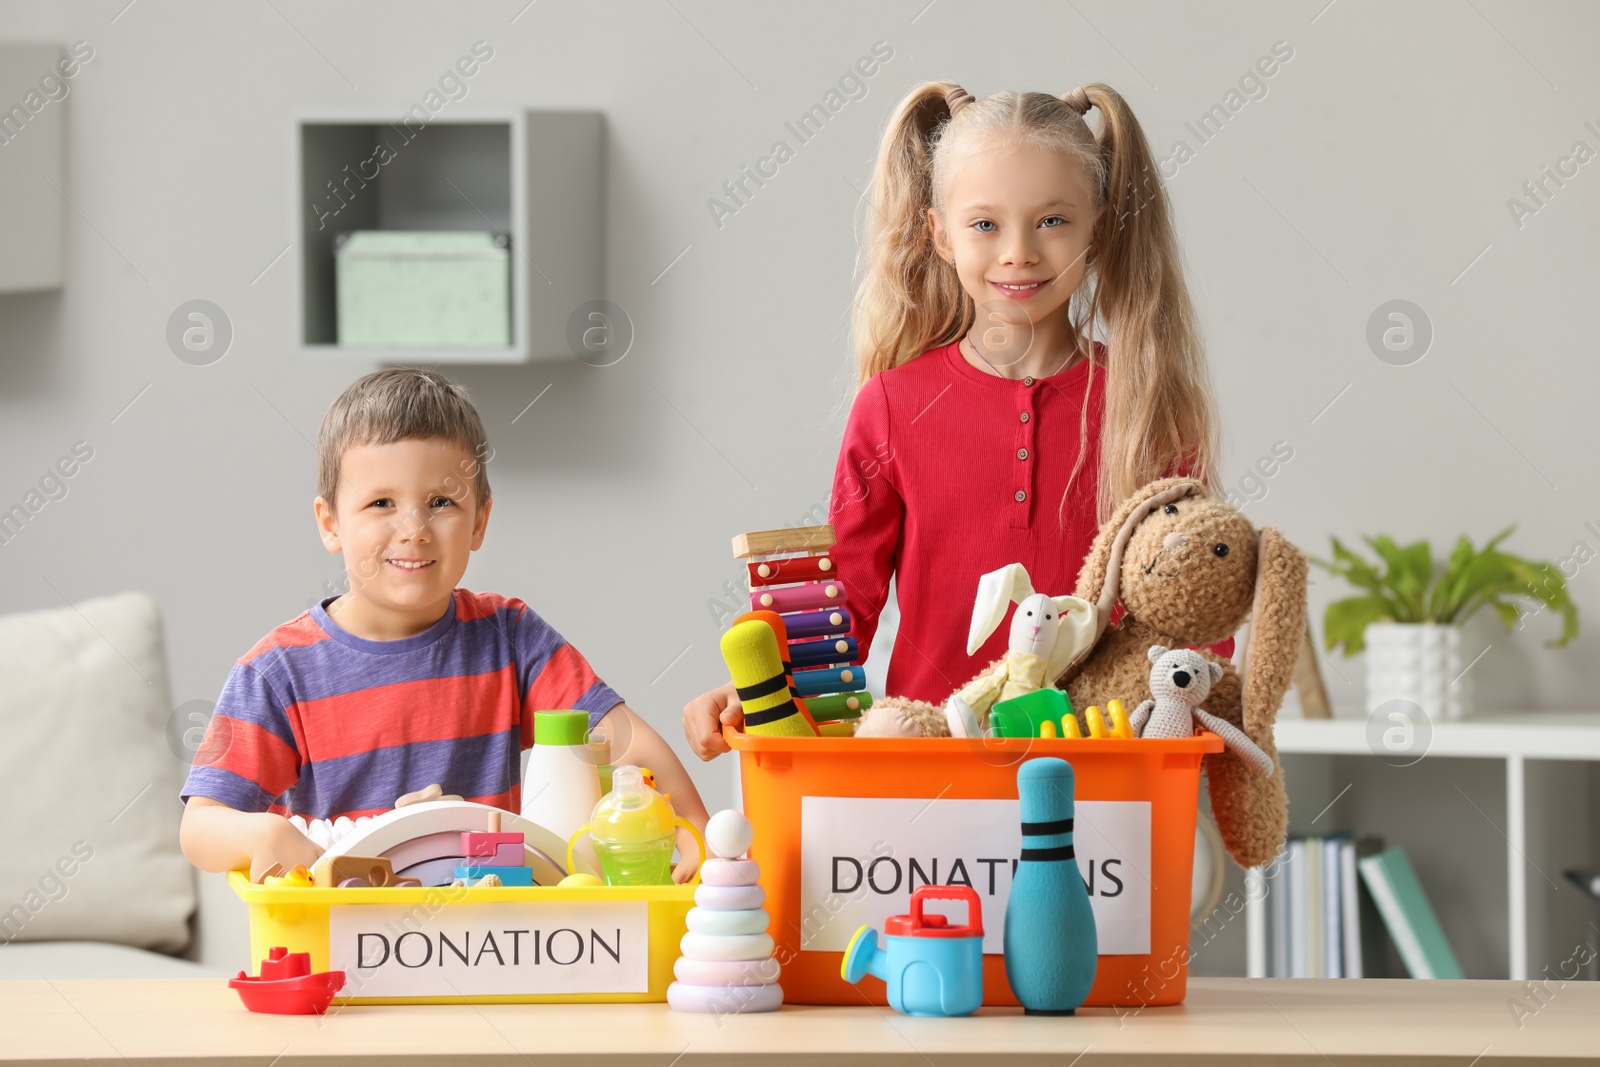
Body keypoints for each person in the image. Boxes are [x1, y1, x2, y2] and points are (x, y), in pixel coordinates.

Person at [684, 81, 1224, 757]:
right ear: (938, 234)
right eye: (985, 224)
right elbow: (839, 609)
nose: (1018, 251)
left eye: (1052, 221)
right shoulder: (890, 404)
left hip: (1109, 764)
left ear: (1101, 224)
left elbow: (1201, 596)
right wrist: (756, 690)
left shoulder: (1149, 405)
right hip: (927, 764)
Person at [180, 369, 707, 881]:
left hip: (493, 941)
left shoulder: (510, 638)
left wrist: (695, 835)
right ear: (331, 523)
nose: (413, 530)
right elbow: (200, 826)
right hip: (345, 941)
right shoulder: (277, 673)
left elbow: (627, 747)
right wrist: (263, 838)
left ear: (479, 521)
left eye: (441, 503)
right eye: (381, 503)